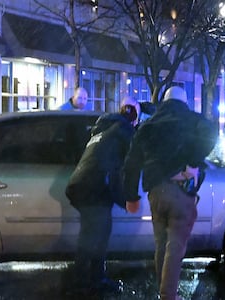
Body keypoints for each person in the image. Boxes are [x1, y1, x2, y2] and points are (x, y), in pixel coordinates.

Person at [122, 86, 218, 300]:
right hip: (181, 192)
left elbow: (131, 163)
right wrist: (192, 162)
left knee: (161, 245)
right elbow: (211, 133)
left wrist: (130, 196)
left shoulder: (148, 125)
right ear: (184, 102)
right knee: (175, 248)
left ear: (164, 101)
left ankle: (163, 292)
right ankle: (168, 296)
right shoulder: (192, 120)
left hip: (156, 191)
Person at [65, 100, 139, 296]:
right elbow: (119, 170)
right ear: (133, 121)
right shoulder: (124, 132)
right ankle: (82, 283)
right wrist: (126, 200)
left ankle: (93, 278)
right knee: (93, 236)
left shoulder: (102, 131)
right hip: (94, 188)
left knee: (97, 232)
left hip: (80, 185)